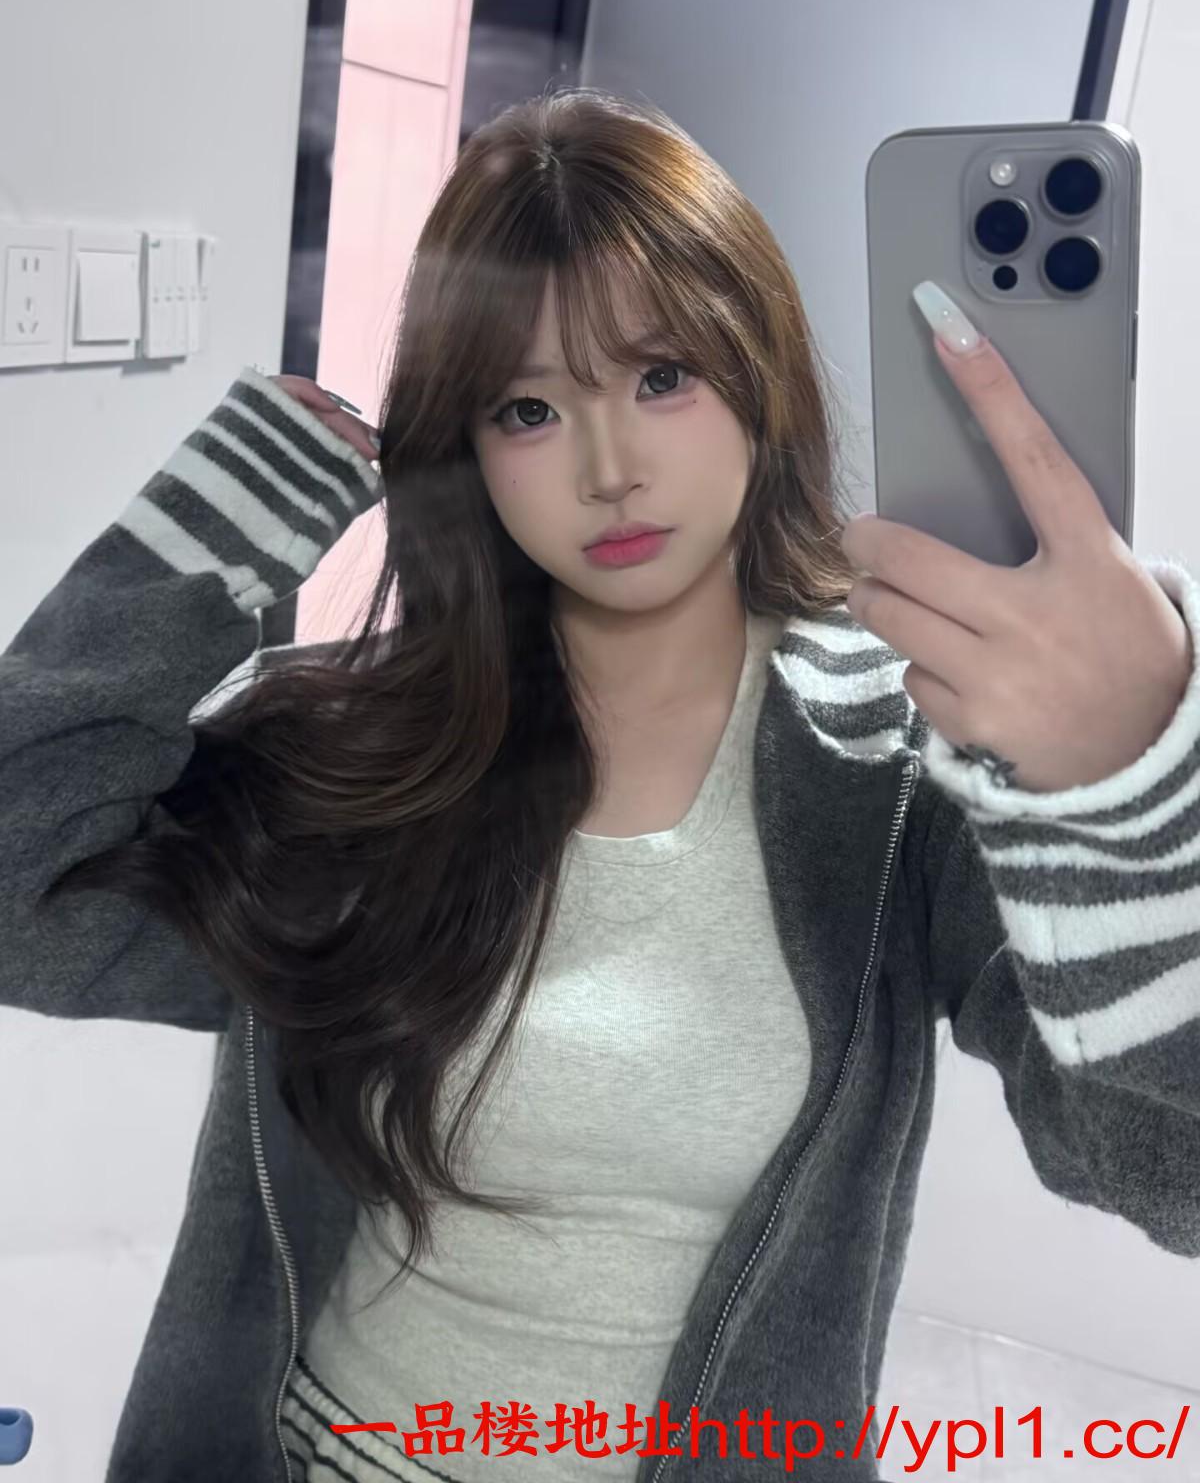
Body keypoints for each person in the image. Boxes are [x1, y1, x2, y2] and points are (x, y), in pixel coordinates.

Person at [2, 87, 1198, 1483]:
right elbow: (24, 885)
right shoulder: (360, 756)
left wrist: (1122, 780)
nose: (612, 469)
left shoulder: (896, 777)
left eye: (662, 376)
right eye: (528, 409)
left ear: (759, 373)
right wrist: (230, 510)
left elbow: (1164, 1166)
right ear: (464, 449)